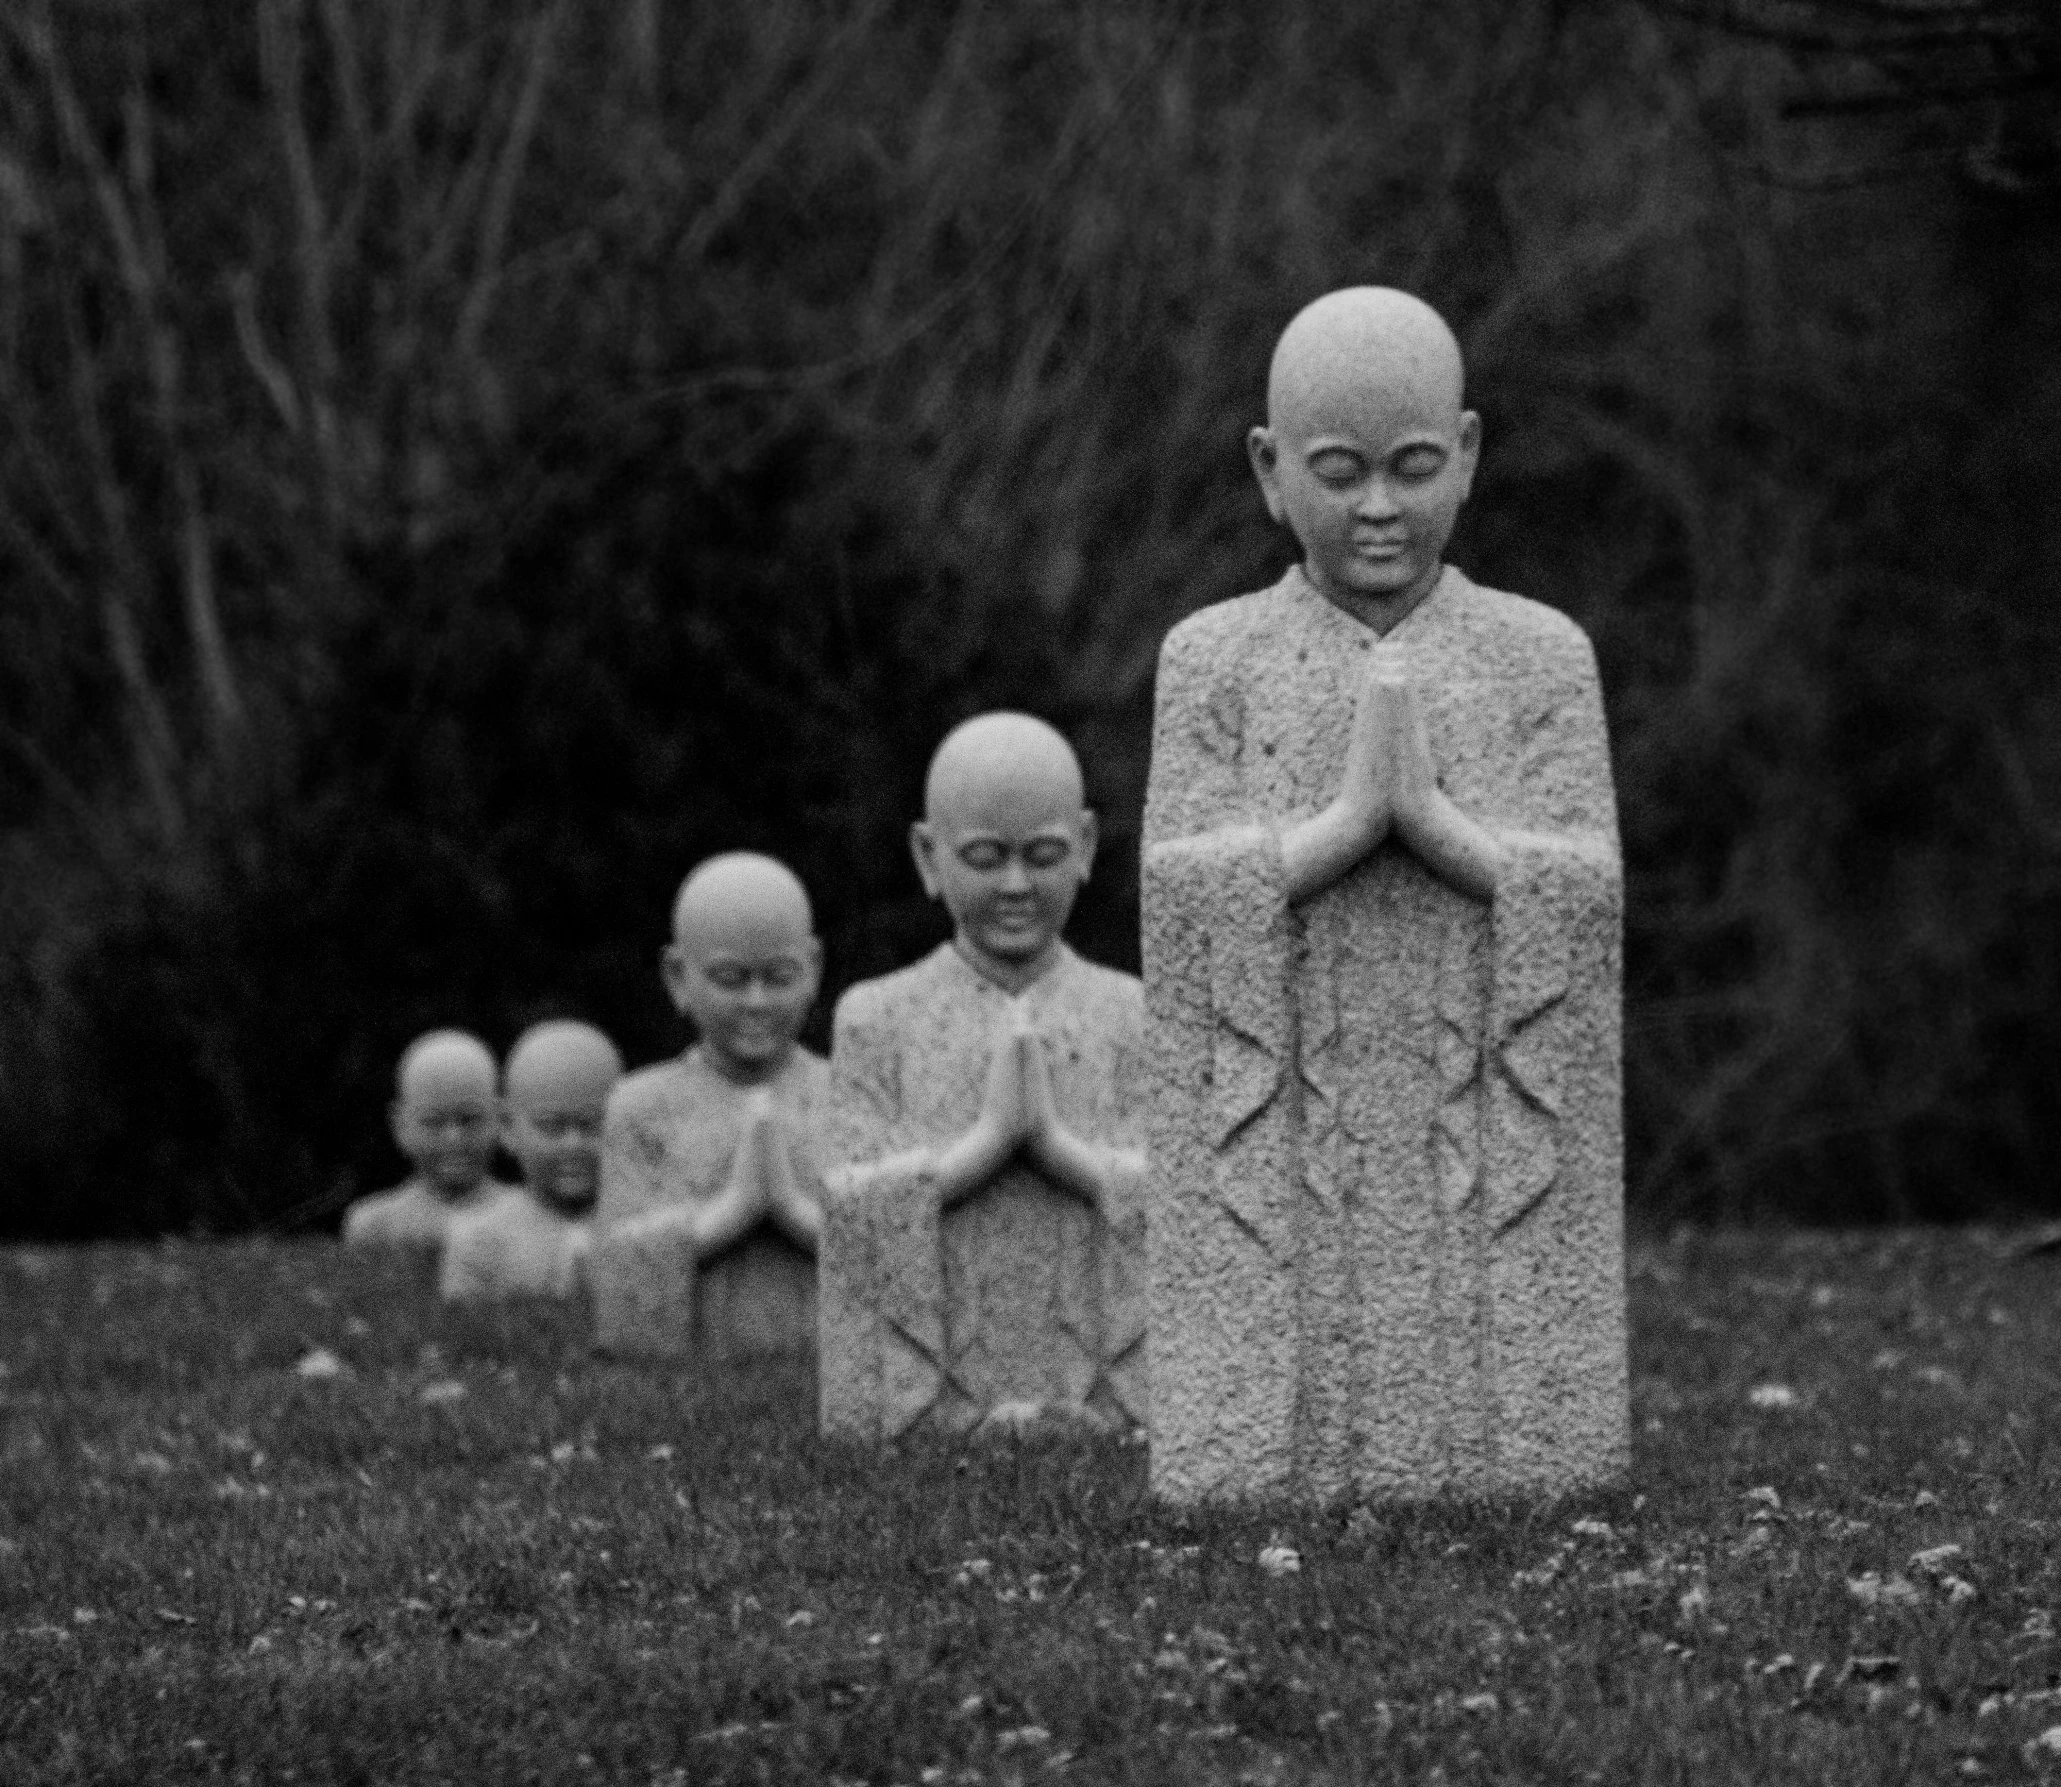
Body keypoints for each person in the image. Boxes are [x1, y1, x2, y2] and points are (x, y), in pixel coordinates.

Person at [1143, 287, 1626, 1502]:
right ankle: (1258, 1463)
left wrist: (1446, 832)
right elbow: (1178, 897)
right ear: (1267, 469)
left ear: (1465, 453)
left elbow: (1586, 888)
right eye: (1337, 470)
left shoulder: (1541, 655)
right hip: (1308, 1108)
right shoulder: (1214, 659)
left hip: (1464, 1097)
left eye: (1412, 467)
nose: (1376, 508)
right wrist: (1346, 827)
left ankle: (1521, 1458)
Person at [821, 712, 1147, 1437]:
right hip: (938, 1376)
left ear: (1086, 846)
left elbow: (1187, 1218)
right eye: (983, 855)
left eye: (1042, 853)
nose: (1014, 883)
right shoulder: (875, 1018)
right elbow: (848, 1216)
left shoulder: (1132, 1014)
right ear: (928, 856)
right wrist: (985, 1146)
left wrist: (1064, 1151)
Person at [589, 854, 829, 1361]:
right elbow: (616, 1287)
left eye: (779, 976)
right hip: (693, 1397)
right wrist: (730, 1213)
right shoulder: (641, 1107)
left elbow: (898, 1263)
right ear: (678, 977)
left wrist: (792, 1210)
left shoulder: (850, 1093)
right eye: (730, 979)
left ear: (813, 970)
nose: (756, 1001)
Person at [439, 1020, 621, 1303]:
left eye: (592, 1125)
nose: (573, 1144)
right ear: (507, 1127)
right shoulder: (479, 1240)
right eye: (551, 1127)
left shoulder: (644, 1227)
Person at [341, 1029, 512, 1252]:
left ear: (500, 1120)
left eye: (469, 1120)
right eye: (434, 1122)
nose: (454, 1139)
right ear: (400, 1125)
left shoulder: (535, 1222)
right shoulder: (373, 1227)